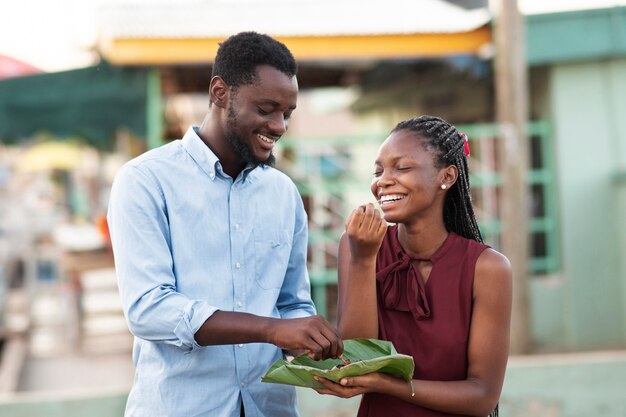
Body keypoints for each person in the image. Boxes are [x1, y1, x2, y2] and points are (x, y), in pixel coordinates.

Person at [107, 31, 342, 417]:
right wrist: (270, 330)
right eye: (266, 108)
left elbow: (290, 302)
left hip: (271, 407)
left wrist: (309, 341)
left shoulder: (283, 194)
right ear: (220, 92)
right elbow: (149, 308)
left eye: (287, 113)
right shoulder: (145, 181)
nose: (280, 125)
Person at [314, 115, 512, 417]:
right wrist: (364, 259)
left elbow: (481, 396)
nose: (383, 181)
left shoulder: (487, 269)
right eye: (378, 170)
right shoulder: (357, 244)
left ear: (446, 177)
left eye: (402, 168)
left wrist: (388, 384)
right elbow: (354, 355)